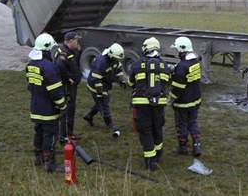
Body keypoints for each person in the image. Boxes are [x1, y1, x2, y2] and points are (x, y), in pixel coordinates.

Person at [26, 33, 67, 173]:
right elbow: (55, 91)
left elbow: (30, 86)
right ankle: (50, 164)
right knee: (50, 135)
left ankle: (38, 158)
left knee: (38, 132)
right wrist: (62, 106)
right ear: (48, 49)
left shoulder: (31, 64)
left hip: (36, 107)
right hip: (48, 110)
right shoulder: (50, 67)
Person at [128, 37, 171, 171]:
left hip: (142, 104)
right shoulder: (165, 65)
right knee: (157, 128)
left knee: (145, 130)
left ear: (145, 48)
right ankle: (158, 154)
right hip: (159, 103)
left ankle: (150, 162)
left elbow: (131, 83)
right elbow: (167, 83)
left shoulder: (136, 64)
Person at [83, 43, 127, 138]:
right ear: (111, 55)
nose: (117, 60)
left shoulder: (114, 60)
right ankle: (110, 124)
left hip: (105, 84)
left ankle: (89, 116)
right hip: (95, 86)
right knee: (104, 104)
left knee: (101, 103)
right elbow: (96, 80)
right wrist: (100, 93)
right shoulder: (101, 62)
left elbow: (118, 70)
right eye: (116, 58)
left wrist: (122, 81)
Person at [170, 36, 203, 157]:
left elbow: (178, 88)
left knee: (182, 124)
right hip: (195, 99)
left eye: (177, 49)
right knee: (193, 122)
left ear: (181, 50)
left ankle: (183, 147)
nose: (176, 52)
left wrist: (171, 99)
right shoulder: (195, 61)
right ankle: (197, 145)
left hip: (183, 102)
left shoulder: (182, 67)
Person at [54, 31, 82, 142]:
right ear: (70, 41)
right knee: (67, 110)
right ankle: (64, 136)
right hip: (67, 87)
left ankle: (69, 133)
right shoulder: (63, 53)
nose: (77, 42)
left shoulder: (71, 50)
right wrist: (68, 78)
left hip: (72, 86)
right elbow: (59, 66)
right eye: (76, 40)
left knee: (71, 109)